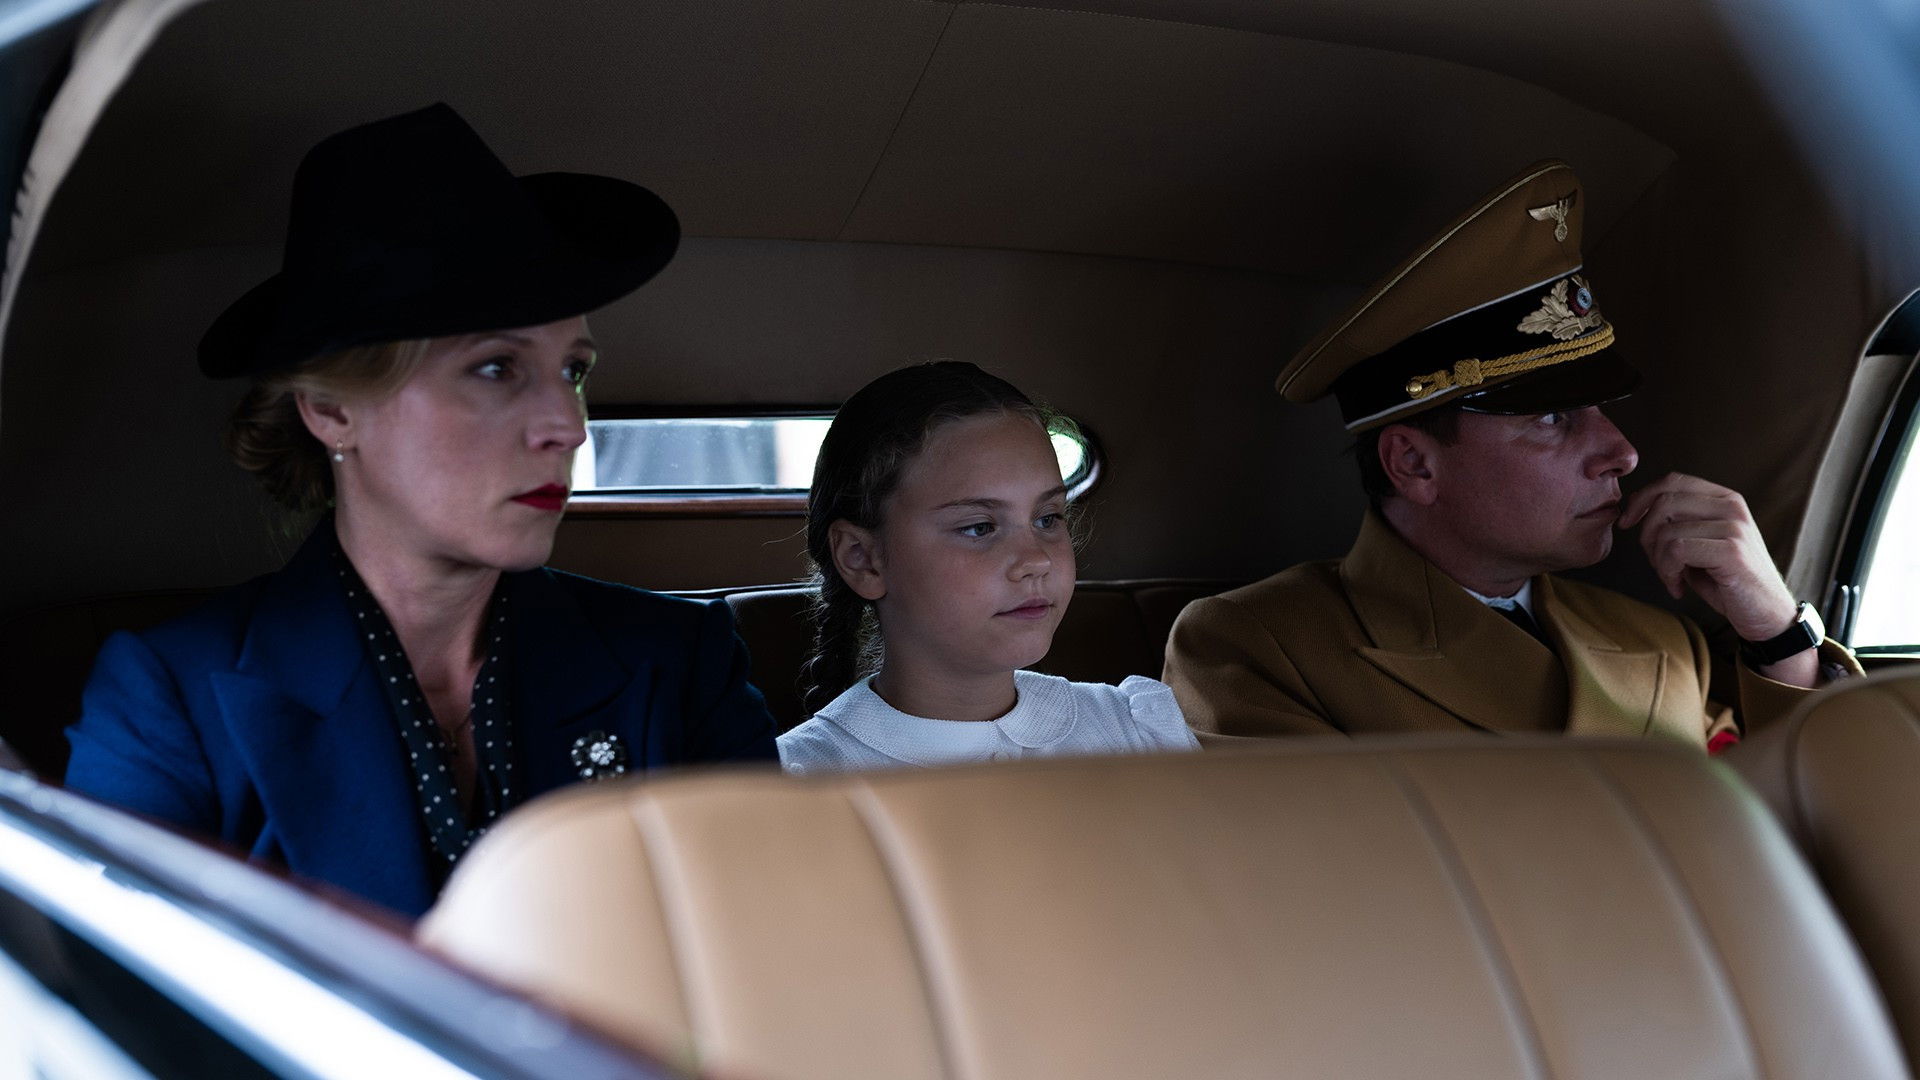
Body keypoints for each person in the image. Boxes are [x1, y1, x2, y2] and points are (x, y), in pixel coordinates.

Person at [63, 104, 777, 918]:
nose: (568, 425)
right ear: (331, 411)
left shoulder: (678, 661)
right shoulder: (173, 697)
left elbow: (769, 944)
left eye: (573, 370)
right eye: (496, 368)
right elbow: (118, 986)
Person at [1163, 160, 1857, 750]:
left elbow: (1800, 827)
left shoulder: (1662, 643)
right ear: (1414, 464)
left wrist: (1778, 636)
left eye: (1603, 411)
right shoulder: (1259, 646)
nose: (1622, 452)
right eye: (1553, 417)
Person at [777, 362, 1198, 773]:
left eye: (1047, 518)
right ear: (862, 559)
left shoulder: (1134, 732)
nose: (1037, 560)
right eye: (979, 527)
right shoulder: (795, 780)